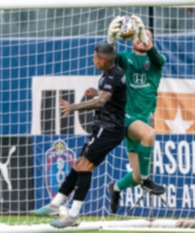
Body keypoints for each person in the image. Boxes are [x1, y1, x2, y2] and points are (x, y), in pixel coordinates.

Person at [31, 43, 126, 228]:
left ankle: (73, 214)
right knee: (78, 164)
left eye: (95, 57)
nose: (92, 60)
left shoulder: (114, 76)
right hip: (103, 127)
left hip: (109, 129)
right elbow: (111, 97)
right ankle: (55, 204)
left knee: (84, 165)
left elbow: (102, 102)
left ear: (104, 60)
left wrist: (74, 106)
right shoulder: (110, 75)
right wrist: (97, 93)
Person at [106, 15, 166, 214]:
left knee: (136, 176)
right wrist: (111, 39)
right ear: (131, 39)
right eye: (138, 36)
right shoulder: (125, 58)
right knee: (149, 134)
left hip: (143, 120)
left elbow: (157, 57)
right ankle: (148, 181)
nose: (141, 38)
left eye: (145, 36)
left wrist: (147, 42)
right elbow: (110, 58)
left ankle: (115, 188)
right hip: (127, 116)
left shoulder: (156, 61)